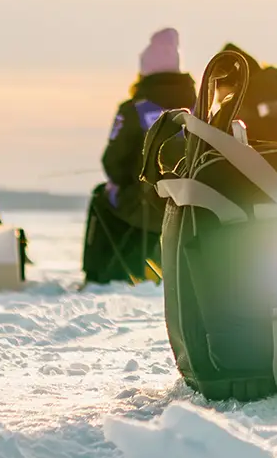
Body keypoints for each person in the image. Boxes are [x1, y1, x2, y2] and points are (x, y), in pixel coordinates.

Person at [82, 28, 196, 284]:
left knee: (103, 196)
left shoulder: (134, 109)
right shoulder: (201, 110)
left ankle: (101, 275)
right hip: (194, 203)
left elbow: (113, 164)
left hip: (146, 203)